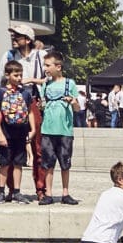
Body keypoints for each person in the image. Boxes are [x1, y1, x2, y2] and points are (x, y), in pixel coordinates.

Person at [0, 24, 48, 200]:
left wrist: (33, 80)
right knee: (11, 148)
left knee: (38, 148)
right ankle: (12, 189)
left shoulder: (40, 56)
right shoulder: (9, 56)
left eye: (17, 36)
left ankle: (41, 189)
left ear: (28, 40)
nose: (14, 39)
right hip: (10, 103)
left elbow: (51, 76)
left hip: (32, 100)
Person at [0, 60, 37, 203]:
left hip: (21, 132)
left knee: (18, 162)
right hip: (6, 132)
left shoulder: (25, 93)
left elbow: (29, 112)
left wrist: (33, 129)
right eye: (16, 75)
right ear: (7, 75)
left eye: (21, 75)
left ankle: (17, 191)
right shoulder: (1, 92)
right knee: (4, 162)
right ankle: (1, 191)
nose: (19, 78)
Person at [39, 50, 79, 206]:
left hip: (65, 130)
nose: (45, 68)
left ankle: (65, 192)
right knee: (48, 163)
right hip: (48, 129)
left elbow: (77, 108)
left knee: (65, 162)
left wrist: (72, 101)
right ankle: (48, 193)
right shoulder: (45, 84)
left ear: (58, 66)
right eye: (45, 65)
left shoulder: (70, 84)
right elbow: (42, 104)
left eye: (48, 65)